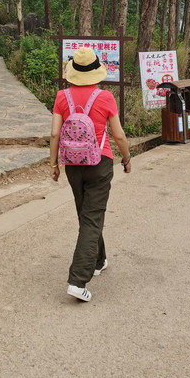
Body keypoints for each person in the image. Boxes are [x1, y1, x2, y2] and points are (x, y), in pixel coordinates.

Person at [49, 45, 132, 302]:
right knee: (92, 217)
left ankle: (98, 260)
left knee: (87, 214)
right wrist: (127, 158)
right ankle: (77, 280)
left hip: (73, 165)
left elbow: (54, 133)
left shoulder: (62, 96)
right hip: (99, 163)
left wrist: (53, 164)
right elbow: (118, 135)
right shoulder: (105, 97)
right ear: (96, 71)